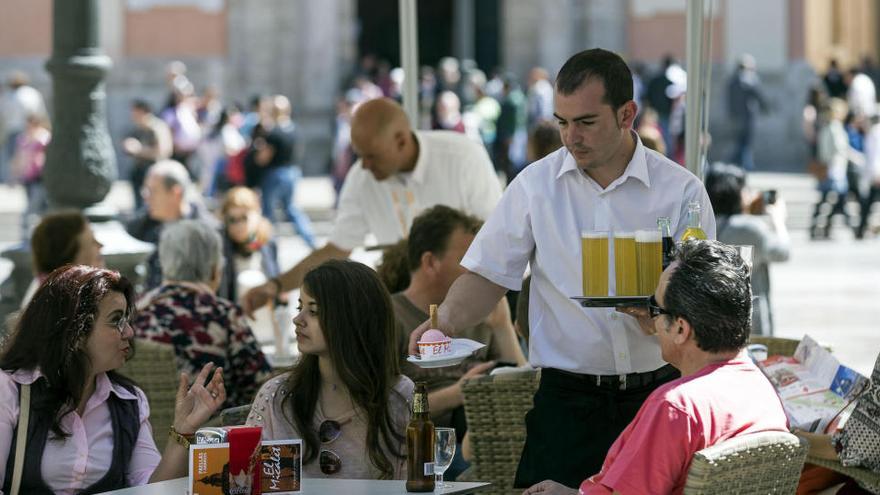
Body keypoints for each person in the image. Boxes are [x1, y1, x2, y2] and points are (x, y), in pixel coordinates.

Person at [407, 48, 717, 489]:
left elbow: (704, 300)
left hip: (660, 397)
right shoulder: (535, 186)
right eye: (562, 122)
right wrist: (445, 323)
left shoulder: (682, 191)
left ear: (627, 113)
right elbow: (487, 273)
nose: (571, 137)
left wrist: (664, 317)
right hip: (566, 401)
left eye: (586, 122)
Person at [523, 240, 789, 495]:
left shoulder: (677, 407)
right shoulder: (760, 387)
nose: (651, 318)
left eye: (655, 308)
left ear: (681, 328)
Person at [242, 97, 502, 316]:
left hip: (470, 303)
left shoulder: (463, 158)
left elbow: (491, 240)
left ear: (401, 140)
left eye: (371, 156)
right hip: (403, 307)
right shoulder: (361, 177)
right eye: (359, 155)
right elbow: (337, 249)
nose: (364, 165)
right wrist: (276, 286)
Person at [0, 265, 226, 493]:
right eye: (116, 320)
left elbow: (152, 490)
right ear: (75, 331)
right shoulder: (11, 390)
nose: (129, 332)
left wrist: (183, 429)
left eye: (127, 319)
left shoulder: (128, 401)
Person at [382, 205, 526, 477]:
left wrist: (502, 326)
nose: (480, 269)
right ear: (430, 262)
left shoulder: (482, 311)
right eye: (469, 259)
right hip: (426, 445)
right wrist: (460, 393)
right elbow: (381, 410)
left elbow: (523, 384)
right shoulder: (391, 316)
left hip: (491, 436)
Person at [246, 260, 412, 479]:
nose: (298, 319)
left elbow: (415, 482)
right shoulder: (277, 395)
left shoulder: (399, 395)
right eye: (299, 307)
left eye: (313, 311)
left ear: (353, 318)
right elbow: (245, 480)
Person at [134, 221, 271, 409]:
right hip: (209, 432)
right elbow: (261, 387)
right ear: (215, 269)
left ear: (165, 263)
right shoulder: (224, 315)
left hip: (141, 427)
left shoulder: (135, 310)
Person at [704, 163, 790, 335]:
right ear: (737, 192)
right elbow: (783, 252)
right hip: (750, 320)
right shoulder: (749, 228)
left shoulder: (705, 224)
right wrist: (778, 219)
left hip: (713, 318)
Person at [126, 159, 219, 290]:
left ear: (176, 193)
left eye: (153, 191)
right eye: (145, 189)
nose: (146, 197)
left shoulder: (209, 232)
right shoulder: (138, 229)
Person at [244, 95, 317, 249]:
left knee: (268, 213)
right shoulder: (295, 130)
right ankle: (311, 241)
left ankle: (265, 246)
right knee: (291, 209)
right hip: (293, 172)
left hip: (275, 175)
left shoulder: (273, 133)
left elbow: (262, 158)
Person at [21, 210, 104, 308]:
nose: (101, 245)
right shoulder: (59, 307)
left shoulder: (47, 292)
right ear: (71, 257)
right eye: (92, 241)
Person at [810, 98, 853, 240]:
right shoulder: (835, 127)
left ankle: (822, 226)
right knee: (836, 198)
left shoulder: (825, 126)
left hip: (829, 167)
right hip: (835, 169)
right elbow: (840, 149)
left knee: (829, 199)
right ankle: (853, 227)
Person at [122, 99, 173, 211]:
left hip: (155, 172)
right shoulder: (138, 129)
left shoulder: (158, 127)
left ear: (144, 112)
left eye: (136, 113)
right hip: (139, 172)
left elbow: (163, 152)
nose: (133, 117)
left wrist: (139, 150)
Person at [727, 54, 767, 171]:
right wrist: (766, 108)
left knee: (739, 142)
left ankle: (739, 164)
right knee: (745, 143)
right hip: (747, 117)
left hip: (735, 117)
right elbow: (758, 95)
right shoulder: (749, 80)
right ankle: (744, 165)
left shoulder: (732, 81)